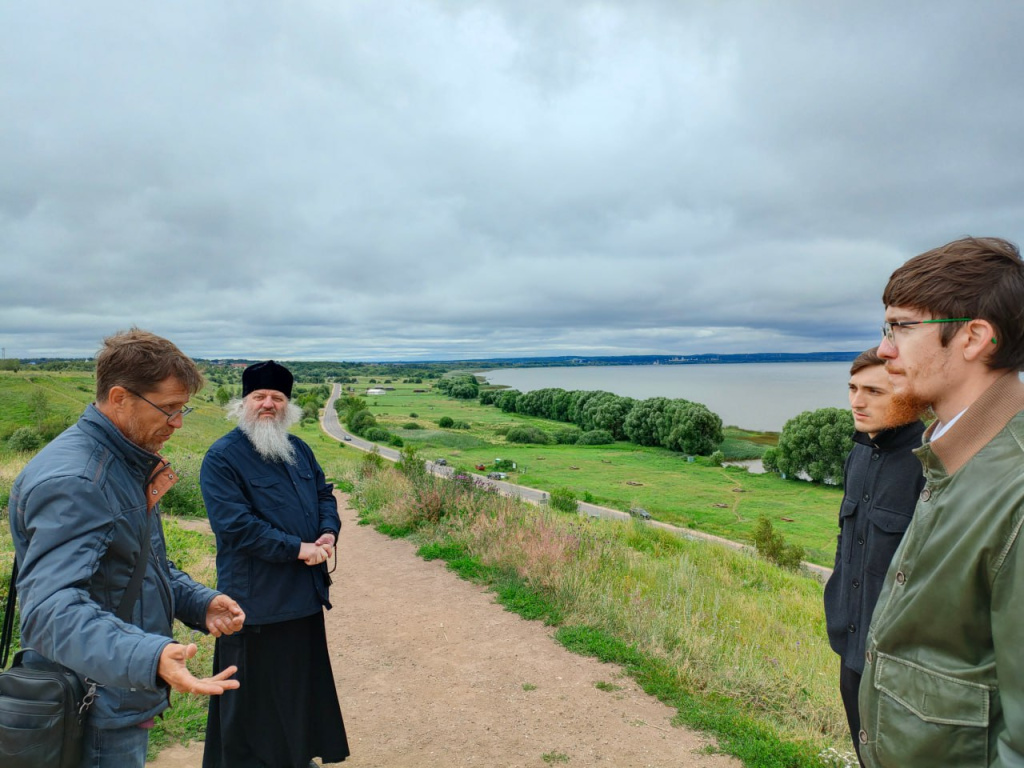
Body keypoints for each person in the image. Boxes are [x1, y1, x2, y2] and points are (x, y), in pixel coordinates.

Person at [8, 328, 246, 768]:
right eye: (169, 409)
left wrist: (199, 602)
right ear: (119, 397)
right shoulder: (80, 482)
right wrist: (149, 654)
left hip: (115, 689)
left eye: (183, 409)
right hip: (94, 702)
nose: (177, 423)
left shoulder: (123, 462)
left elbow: (139, 564)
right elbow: (49, 611)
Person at [857, 236, 1024, 767]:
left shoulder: (1015, 489)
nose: (885, 350)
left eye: (902, 327)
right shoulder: (952, 451)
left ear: (974, 337)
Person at [200, 360, 349, 767]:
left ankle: (297, 760)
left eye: (277, 397)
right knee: (251, 706)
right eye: (260, 396)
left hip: (303, 599)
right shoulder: (222, 458)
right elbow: (237, 527)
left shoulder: (299, 449)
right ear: (244, 402)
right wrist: (299, 549)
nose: (269, 404)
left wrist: (327, 533)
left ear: (288, 405)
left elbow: (324, 496)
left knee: (299, 694)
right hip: (254, 606)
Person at [822, 346, 925, 762]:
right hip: (852, 645)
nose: (856, 401)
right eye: (852, 388)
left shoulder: (932, 463)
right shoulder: (859, 452)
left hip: (901, 662)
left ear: (910, 394)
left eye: (873, 391)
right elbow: (846, 541)